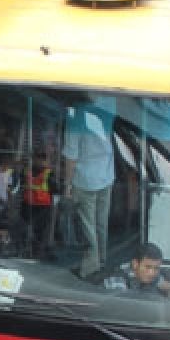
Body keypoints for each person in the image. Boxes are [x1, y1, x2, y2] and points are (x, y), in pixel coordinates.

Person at [62, 97, 117, 276]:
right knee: (101, 222)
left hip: (85, 179)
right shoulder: (108, 105)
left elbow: (71, 155)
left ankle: (90, 268)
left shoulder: (75, 115)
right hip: (106, 175)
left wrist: (67, 185)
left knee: (88, 225)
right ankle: (102, 260)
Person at [103, 243, 170, 298]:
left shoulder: (151, 275)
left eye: (156, 268)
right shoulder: (118, 279)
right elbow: (123, 307)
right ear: (135, 264)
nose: (151, 273)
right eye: (147, 267)